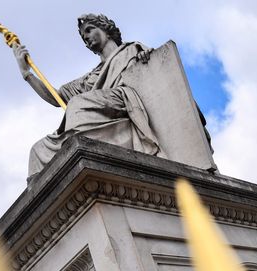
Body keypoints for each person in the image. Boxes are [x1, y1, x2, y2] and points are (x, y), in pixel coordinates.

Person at [13, 14, 164, 179]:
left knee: (77, 104)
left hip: (123, 103)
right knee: (39, 149)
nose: (87, 39)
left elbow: (158, 65)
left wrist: (147, 57)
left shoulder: (132, 50)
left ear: (107, 30)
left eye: (90, 30)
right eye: (84, 38)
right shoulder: (90, 78)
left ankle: (76, 141)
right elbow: (56, 97)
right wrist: (27, 74)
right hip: (96, 110)